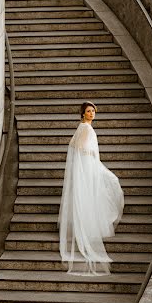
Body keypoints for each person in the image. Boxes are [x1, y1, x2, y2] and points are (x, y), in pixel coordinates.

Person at [58, 101, 124, 274]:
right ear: (83, 113)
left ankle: (88, 223)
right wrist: (91, 156)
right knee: (110, 184)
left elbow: (73, 146)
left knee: (96, 191)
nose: (91, 113)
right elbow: (78, 147)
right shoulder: (86, 128)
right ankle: (90, 225)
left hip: (88, 165)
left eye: (93, 111)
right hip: (88, 165)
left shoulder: (83, 127)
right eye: (88, 111)